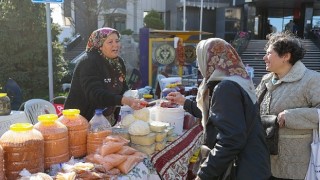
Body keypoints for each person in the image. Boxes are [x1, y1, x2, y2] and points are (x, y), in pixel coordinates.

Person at [168, 38, 271, 179]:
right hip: (252, 165)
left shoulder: (226, 88)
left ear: (211, 59)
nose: (199, 66)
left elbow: (231, 140)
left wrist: (204, 174)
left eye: (201, 58)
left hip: (242, 170)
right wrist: (184, 102)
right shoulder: (236, 81)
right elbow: (216, 114)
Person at [256, 31, 320, 179]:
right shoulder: (266, 79)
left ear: (286, 56)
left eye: (269, 53)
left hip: (298, 166)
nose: (264, 58)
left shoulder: (312, 80)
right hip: (265, 161)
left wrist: (292, 116)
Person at [64, 27, 146, 125]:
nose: (115, 45)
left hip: (106, 119)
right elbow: (95, 94)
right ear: (100, 45)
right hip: (81, 121)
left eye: (117, 41)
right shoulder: (88, 62)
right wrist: (123, 100)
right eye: (110, 42)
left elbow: (122, 88)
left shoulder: (118, 62)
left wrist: (133, 99)